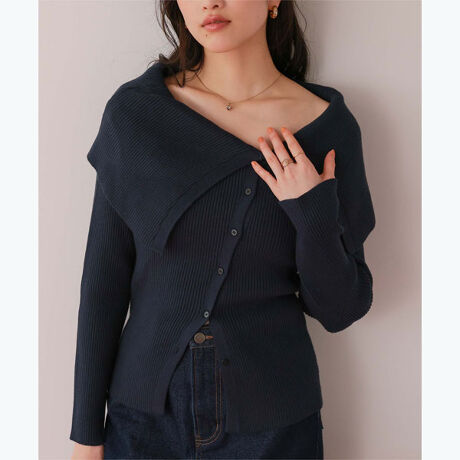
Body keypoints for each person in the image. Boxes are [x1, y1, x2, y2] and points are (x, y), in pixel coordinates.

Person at [70, 1, 376, 459]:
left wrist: (311, 212)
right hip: (142, 426)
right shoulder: (137, 115)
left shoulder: (326, 127)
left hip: (273, 429)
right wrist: (86, 435)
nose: (209, 2)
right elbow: (102, 284)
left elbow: (340, 309)